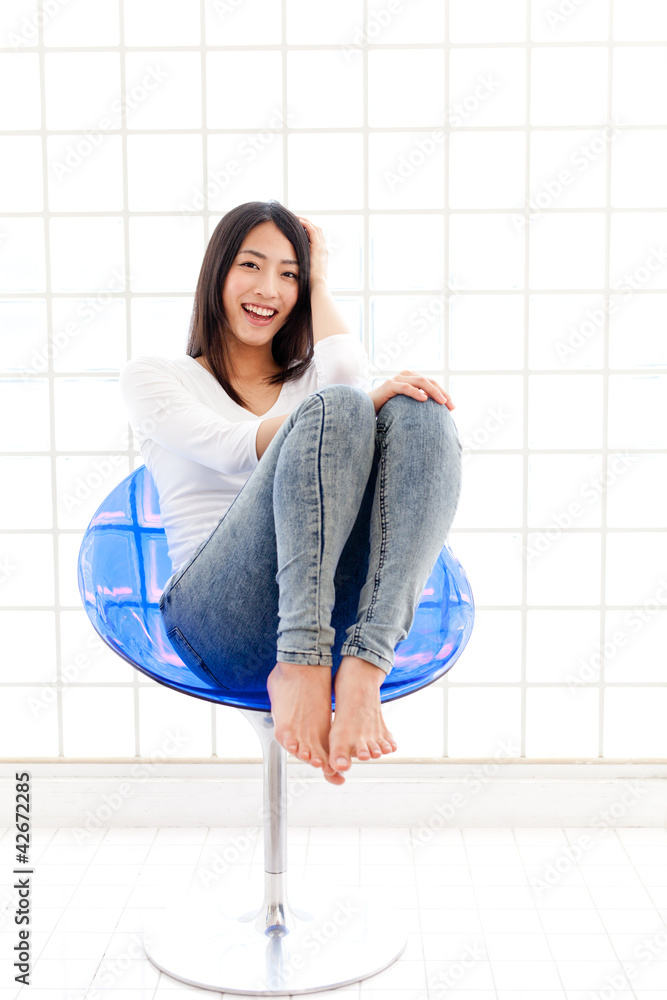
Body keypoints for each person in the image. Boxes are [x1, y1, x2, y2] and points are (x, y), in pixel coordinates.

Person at [120, 200, 462, 786]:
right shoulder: (155, 377)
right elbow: (233, 446)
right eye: (251, 266)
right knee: (346, 403)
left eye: (289, 274)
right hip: (218, 618)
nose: (268, 288)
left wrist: (321, 277)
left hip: (336, 609)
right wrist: (349, 402)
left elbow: (348, 373)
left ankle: (363, 664)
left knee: (418, 408)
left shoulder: (309, 380)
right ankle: (299, 660)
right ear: (218, 273)